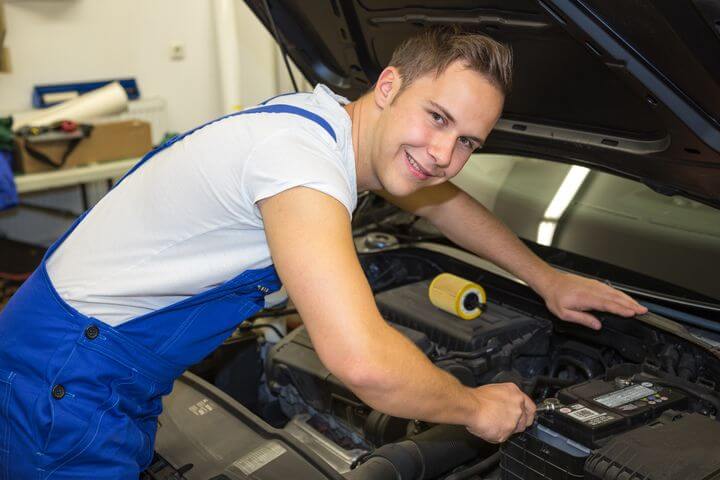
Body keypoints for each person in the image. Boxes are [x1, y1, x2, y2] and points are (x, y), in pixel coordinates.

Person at [0, 27, 647, 479]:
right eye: (438, 118)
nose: (445, 155)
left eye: (469, 143)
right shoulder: (301, 163)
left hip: (102, 367)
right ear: (389, 85)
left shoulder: (326, 124)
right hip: (67, 377)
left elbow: (442, 200)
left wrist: (545, 279)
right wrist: (477, 407)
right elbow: (361, 361)